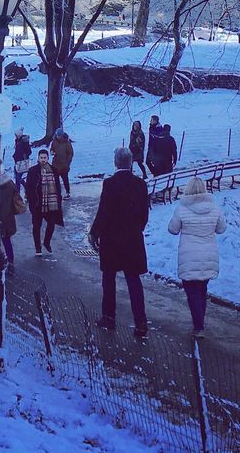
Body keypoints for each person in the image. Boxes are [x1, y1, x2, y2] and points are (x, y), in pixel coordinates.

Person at [90, 146, 150, 340]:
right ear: (131, 163)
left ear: (115, 163)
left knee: (109, 279)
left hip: (112, 241)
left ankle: (109, 317)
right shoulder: (140, 185)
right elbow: (144, 214)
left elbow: (104, 212)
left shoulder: (109, 184)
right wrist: (136, 229)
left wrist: (95, 233)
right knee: (134, 281)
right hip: (133, 240)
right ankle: (140, 322)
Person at [167, 176, 227, 337]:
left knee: (192, 291)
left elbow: (173, 229)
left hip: (189, 256)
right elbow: (221, 229)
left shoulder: (182, 208)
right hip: (208, 255)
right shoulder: (214, 208)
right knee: (202, 289)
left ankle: (198, 326)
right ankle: (199, 323)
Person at [24, 148, 64, 257]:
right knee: (36, 226)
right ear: (38, 158)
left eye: (45, 158)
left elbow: (57, 187)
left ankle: (47, 242)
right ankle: (38, 248)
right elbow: (29, 187)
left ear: (48, 158)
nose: (43, 160)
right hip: (37, 204)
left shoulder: (54, 170)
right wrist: (31, 200)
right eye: (41, 158)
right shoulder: (33, 171)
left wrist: (58, 199)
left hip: (50, 204)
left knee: (51, 224)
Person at [51, 128, 74, 197]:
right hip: (55, 164)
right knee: (56, 181)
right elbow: (52, 149)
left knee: (65, 180)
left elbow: (70, 153)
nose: (58, 137)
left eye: (59, 135)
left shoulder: (67, 143)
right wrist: (52, 152)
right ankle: (58, 193)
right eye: (57, 135)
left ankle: (68, 192)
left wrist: (67, 162)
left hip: (64, 165)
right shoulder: (54, 142)